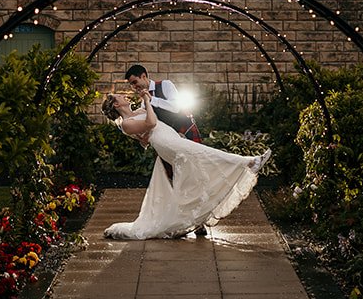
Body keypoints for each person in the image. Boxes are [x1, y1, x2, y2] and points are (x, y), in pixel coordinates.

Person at [100, 92, 269, 240]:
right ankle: (249, 162)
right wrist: (147, 101)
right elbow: (151, 123)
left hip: (171, 137)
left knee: (197, 171)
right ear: (116, 104)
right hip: (165, 142)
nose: (124, 96)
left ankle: (187, 218)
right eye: (120, 97)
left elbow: (149, 128)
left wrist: (147, 101)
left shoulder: (137, 112)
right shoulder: (126, 124)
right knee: (205, 154)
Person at [124, 63, 201, 141]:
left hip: (186, 129)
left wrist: (152, 100)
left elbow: (176, 107)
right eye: (131, 84)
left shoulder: (165, 84)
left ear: (143, 76)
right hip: (170, 137)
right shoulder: (144, 102)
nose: (134, 87)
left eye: (134, 82)